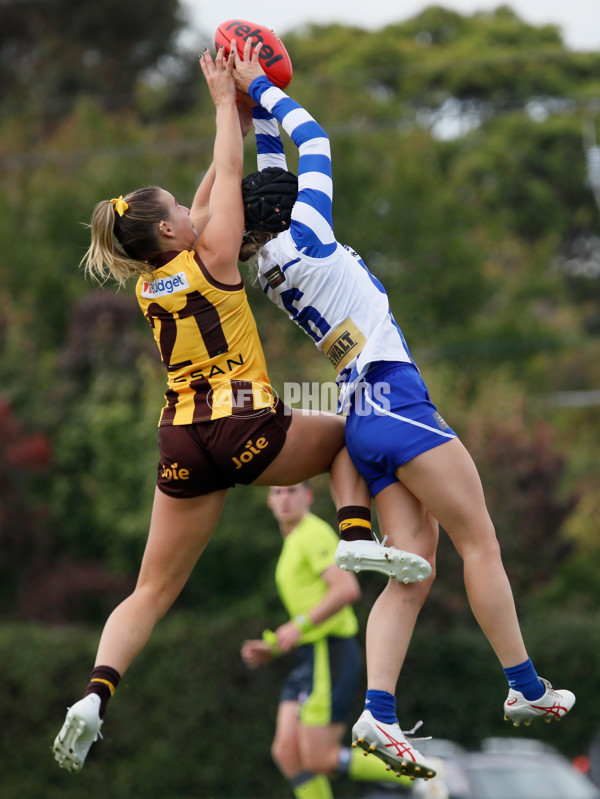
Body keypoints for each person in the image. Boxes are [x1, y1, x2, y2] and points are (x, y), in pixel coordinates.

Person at [51, 44, 429, 774]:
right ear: (171, 232)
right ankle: (354, 530)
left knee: (150, 589)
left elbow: (204, 193)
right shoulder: (215, 256)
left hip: (180, 440)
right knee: (354, 427)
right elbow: (226, 177)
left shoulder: (151, 280)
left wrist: (234, 115)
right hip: (244, 424)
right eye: (181, 213)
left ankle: (96, 693)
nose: (196, 213)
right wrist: (228, 101)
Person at [230, 38, 576, 781]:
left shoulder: (265, 258)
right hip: (394, 396)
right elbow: (313, 141)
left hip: (362, 415)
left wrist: (245, 102)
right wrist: (268, 89)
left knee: (413, 576)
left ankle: (377, 712)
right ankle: (524, 686)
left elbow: (267, 180)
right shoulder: (311, 235)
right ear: (290, 209)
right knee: (479, 540)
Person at [242, 482, 419, 799]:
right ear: (269, 500)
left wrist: (298, 626)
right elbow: (307, 611)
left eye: (292, 491)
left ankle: (419, 774)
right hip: (310, 654)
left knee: (319, 758)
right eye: (277, 492)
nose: (284, 499)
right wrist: (274, 646)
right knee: (286, 753)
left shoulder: (312, 534)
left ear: (307, 496)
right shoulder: (294, 540)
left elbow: (346, 589)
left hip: (329, 651)